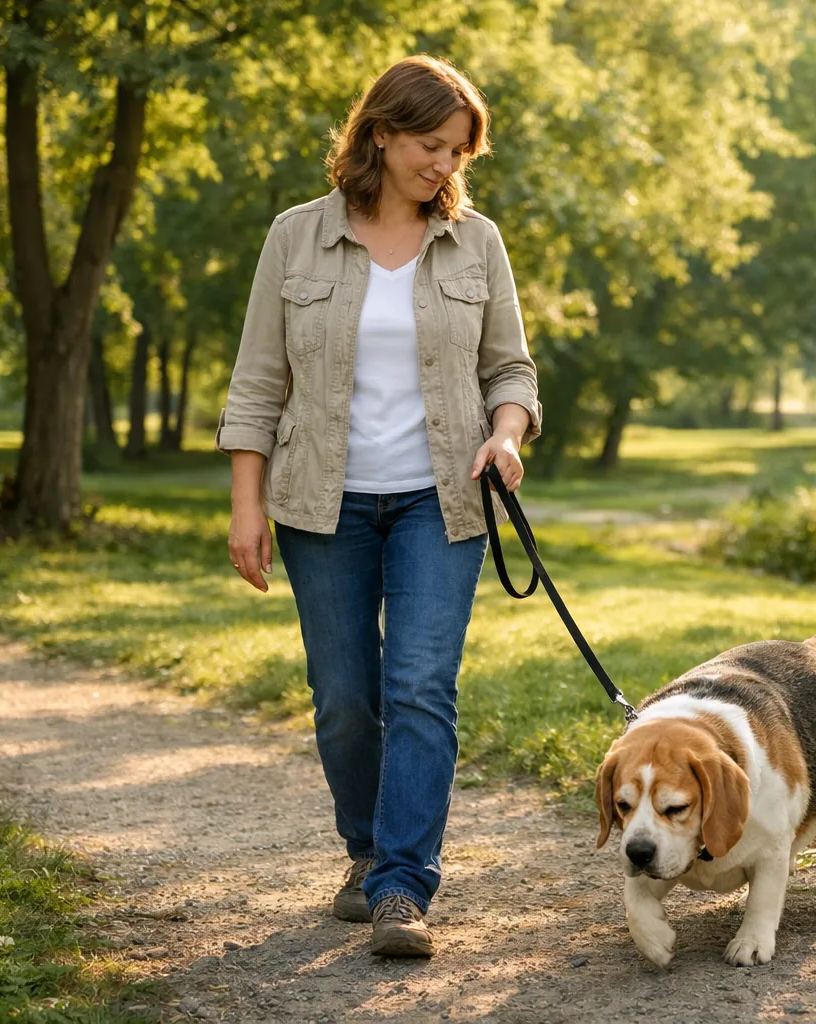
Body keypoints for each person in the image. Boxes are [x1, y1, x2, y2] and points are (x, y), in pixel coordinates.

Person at [216, 55, 541, 958]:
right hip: (323, 506)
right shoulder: (297, 237)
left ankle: (402, 886)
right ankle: (362, 850)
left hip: (443, 500)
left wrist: (506, 433)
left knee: (421, 688)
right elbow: (256, 383)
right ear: (382, 133)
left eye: (458, 151)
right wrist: (246, 508)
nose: (446, 165)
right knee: (347, 698)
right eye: (432, 145)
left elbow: (509, 368)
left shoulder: (476, 242)